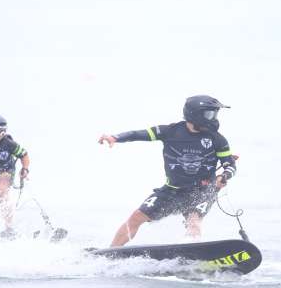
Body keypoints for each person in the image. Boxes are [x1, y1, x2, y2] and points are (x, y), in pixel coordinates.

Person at [98, 95, 238, 247]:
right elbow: (138, 134)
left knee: (194, 220)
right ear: (195, 114)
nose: (213, 118)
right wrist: (115, 138)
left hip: (203, 190)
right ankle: (112, 252)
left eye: (215, 114)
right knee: (137, 217)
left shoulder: (217, 139)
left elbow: (230, 165)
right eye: (209, 114)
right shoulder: (170, 131)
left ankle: (192, 254)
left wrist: (224, 176)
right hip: (172, 190)